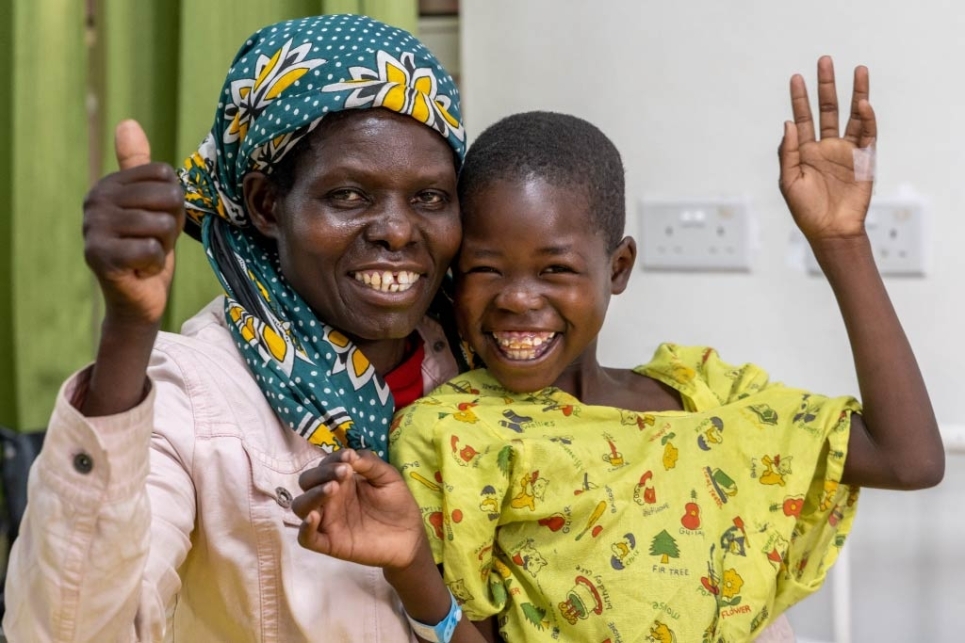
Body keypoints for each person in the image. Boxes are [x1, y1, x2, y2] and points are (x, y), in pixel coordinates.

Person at [292, 58, 945, 642]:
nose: (518, 299)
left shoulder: (702, 392)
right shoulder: (451, 432)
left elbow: (908, 458)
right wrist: (412, 566)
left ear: (619, 267)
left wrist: (840, 241)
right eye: (487, 269)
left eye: (554, 270)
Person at [3, 13, 472, 642]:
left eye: (431, 198)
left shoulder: (478, 369)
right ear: (267, 205)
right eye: (350, 196)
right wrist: (127, 331)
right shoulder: (193, 391)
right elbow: (66, 632)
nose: (397, 229)